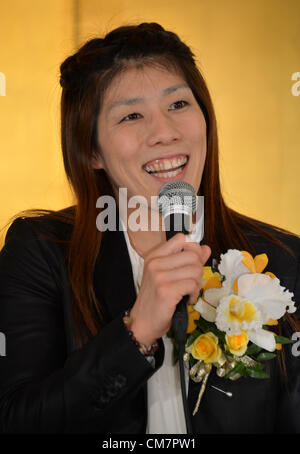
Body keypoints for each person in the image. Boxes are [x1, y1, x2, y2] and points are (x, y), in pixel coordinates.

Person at [0, 22, 299, 434]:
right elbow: (17, 421)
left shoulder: (284, 259)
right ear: (91, 151)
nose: (165, 133)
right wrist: (136, 331)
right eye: (132, 115)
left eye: (178, 105)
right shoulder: (41, 251)